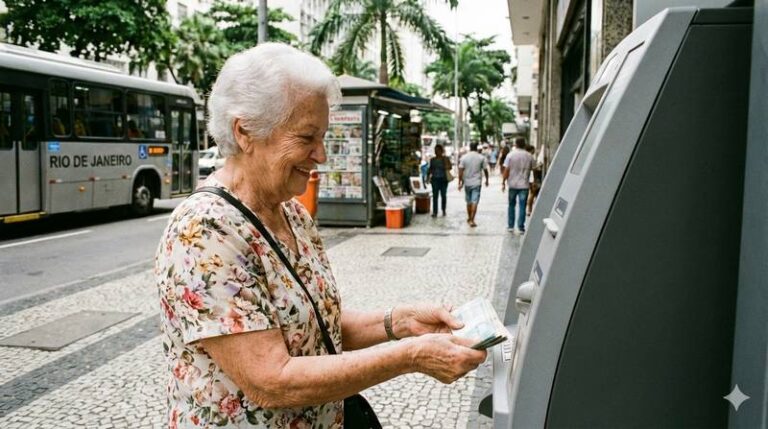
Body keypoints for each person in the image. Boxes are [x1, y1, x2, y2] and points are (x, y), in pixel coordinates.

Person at [155, 43, 486, 429]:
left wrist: (402, 321)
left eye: (323, 137)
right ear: (244, 131)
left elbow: (313, 325)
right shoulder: (203, 231)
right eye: (306, 137)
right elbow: (270, 380)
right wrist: (410, 356)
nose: (322, 155)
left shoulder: (292, 212)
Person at [502, 138, 535, 234]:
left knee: (511, 205)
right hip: (524, 185)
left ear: (515, 144)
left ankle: (511, 226)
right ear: (524, 144)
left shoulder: (510, 155)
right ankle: (521, 227)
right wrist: (533, 182)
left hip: (512, 184)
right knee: (522, 206)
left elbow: (506, 170)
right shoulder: (529, 156)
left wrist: (503, 182)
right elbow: (534, 169)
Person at [458, 142, 489, 227]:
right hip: (477, 182)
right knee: (475, 201)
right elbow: (485, 170)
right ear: (477, 147)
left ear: (470, 147)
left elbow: (460, 170)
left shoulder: (464, 157)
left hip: (467, 182)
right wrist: (487, 180)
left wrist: (460, 182)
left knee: (468, 201)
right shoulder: (481, 157)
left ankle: (469, 218)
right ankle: (472, 219)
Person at [426, 144, 451, 217]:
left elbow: (450, 167)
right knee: (435, 196)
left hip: (443, 180)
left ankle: (443, 210)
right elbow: (430, 169)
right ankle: (435, 212)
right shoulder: (432, 160)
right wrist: (427, 177)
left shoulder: (445, 158)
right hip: (434, 180)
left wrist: (445, 166)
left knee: (443, 195)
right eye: (435, 150)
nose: (436, 152)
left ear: (441, 151)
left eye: (437, 150)